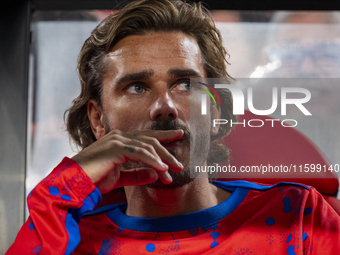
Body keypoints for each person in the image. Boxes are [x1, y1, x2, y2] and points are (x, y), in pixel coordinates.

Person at [6, 0, 340, 254]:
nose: (164, 107)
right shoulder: (72, 240)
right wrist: (63, 188)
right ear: (98, 120)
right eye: (137, 87)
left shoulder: (299, 217)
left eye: (184, 85)